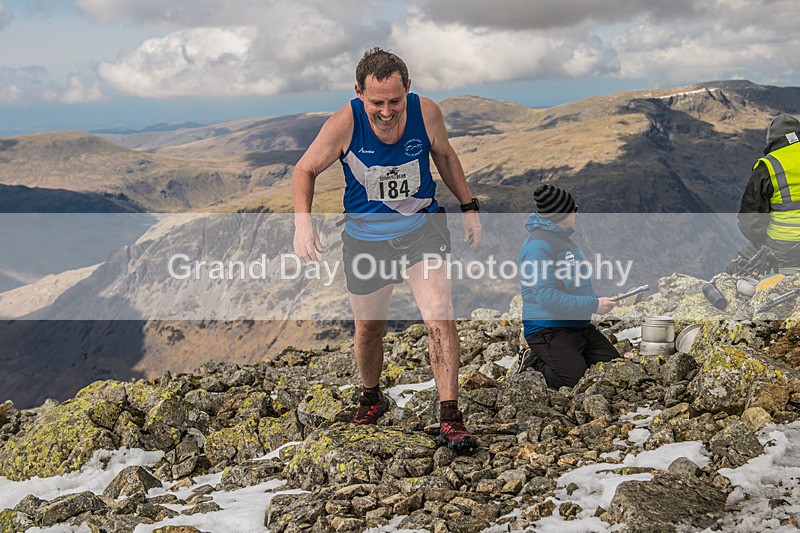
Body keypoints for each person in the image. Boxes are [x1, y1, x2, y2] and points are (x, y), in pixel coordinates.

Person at [292, 48, 482, 453]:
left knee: (438, 316)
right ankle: (371, 395)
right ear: (359, 93)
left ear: (408, 89)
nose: (386, 111)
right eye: (376, 102)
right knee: (368, 329)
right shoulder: (344, 123)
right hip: (367, 239)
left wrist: (469, 207)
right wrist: (302, 225)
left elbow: (445, 156)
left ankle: (451, 418)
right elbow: (304, 169)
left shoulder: (426, 113)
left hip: (422, 228)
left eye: (395, 101)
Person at [516, 184, 620, 388]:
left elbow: (576, 283)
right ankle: (534, 363)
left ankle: (571, 357)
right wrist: (592, 305)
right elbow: (546, 296)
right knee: (572, 382)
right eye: (574, 208)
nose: (577, 213)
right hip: (549, 330)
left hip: (578, 326)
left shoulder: (564, 239)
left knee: (615, 369)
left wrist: (597, 301)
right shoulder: (539, 246)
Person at [738, 114, 800, 275]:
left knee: (742, 260)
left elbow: (750, 223)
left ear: (773, 141)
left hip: (786, 250)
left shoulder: (768, 166)